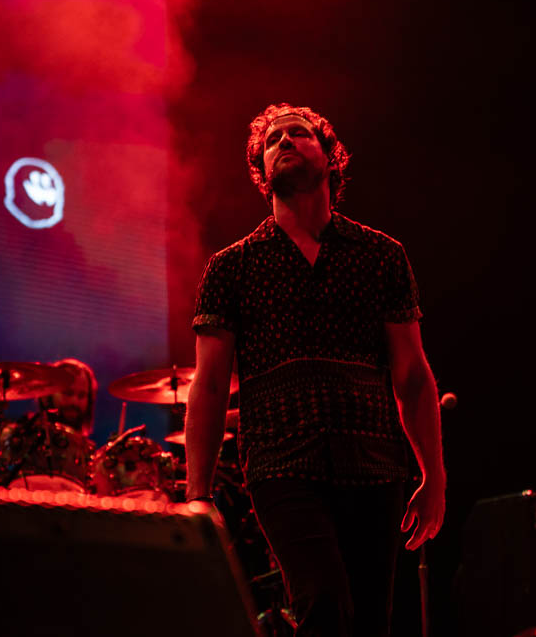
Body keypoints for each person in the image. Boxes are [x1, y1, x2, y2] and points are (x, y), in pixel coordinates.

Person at [185, 103, 445, 636]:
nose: (283, 141)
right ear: (260, 171)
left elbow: (413, 377)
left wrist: (434, 475)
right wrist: (197, 493)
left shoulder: (382, 255)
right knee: (323, 603)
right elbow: (209, 388)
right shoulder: (232, 267)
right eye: (271, 139)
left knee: (369, 623)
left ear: (331, 158)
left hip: (375, 466)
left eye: (298, 133)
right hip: (281, 465)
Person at [0, 358, 97, 485]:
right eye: (68, 393)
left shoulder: (88, 455)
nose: (74, 402)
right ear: (49, 393)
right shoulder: (13, 436)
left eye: (82, 395)